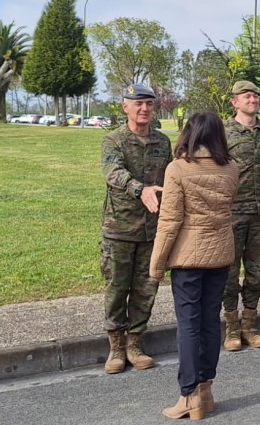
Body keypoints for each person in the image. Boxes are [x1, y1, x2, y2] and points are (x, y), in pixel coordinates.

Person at [150, 112, 240, 421]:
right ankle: (206, 390)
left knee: (188, 325)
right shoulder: (232, 169)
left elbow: (169, 221)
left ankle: (188, 395)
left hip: (188, 258)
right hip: (220, 254)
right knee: (210, 322)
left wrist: (156, 265)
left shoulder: (177, 169)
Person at [100, 83, 173, 374]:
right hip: (120, 227)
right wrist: (139, 188)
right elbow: (112, 172)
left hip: (153, 229)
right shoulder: (114, 140)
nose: (144, 109)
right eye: (138, 103)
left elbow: (172, 176)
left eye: (149, 104)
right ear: (125, 107)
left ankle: (135, 343)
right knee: (117, 288)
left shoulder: (162, 142)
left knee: (146, 289)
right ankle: (116, 347)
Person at [222, 81, 260, 351]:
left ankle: (250, 325)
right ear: (235, 102)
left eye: (256, 95)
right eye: (247, 96)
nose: (253, 99)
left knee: (257, 273)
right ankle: (231, 327)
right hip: (232, 213)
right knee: (229, 274)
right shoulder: (223, 133)